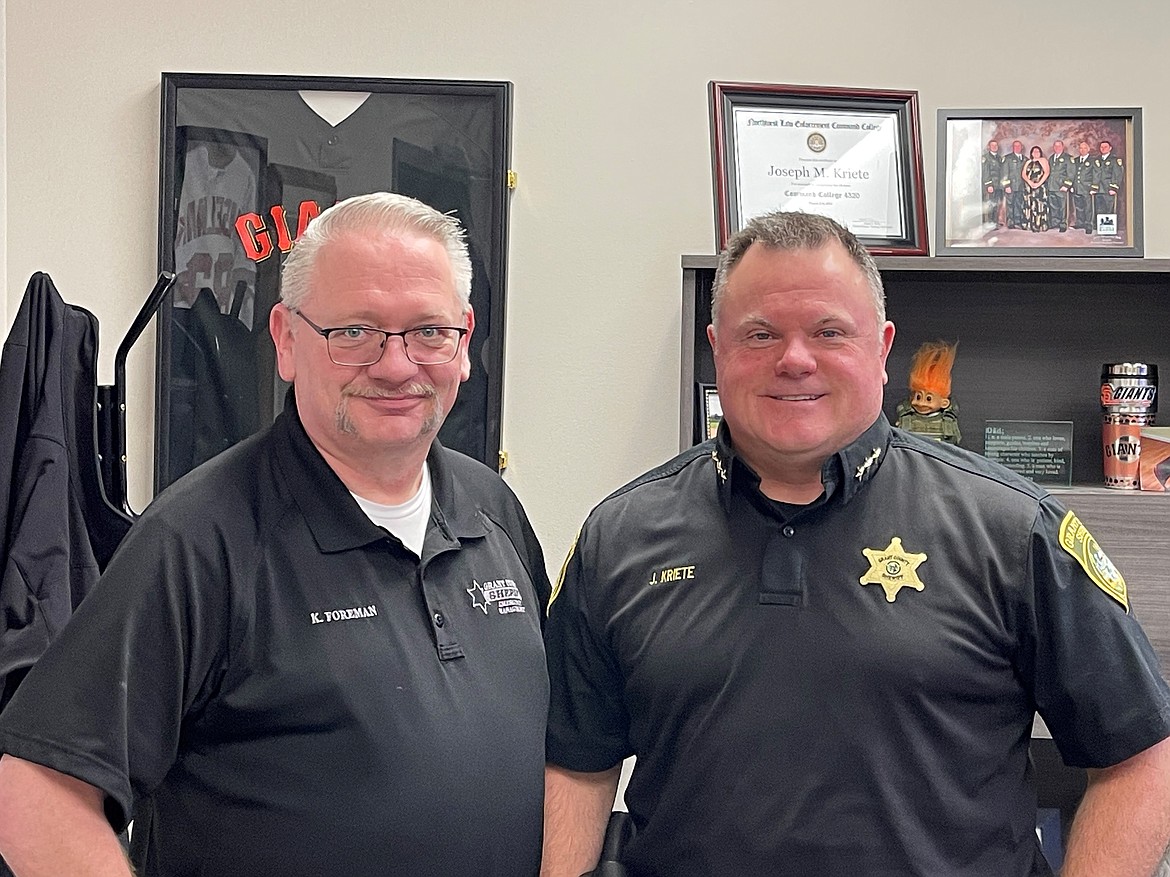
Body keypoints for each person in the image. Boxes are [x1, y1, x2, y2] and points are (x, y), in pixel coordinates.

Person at [542, 211, 1170, 877]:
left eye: (828, 331)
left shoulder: (1011, 529)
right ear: (717, 345)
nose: (794, 359)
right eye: (760, 333)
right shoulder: (621, 537)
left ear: (882, 346)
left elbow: (1141, 752)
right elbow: (576, 761)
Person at [0, 192, 551, 877]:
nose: (396, 364)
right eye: (354, 331)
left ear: (464, 341)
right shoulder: (199, 540)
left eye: (427, 331)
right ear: (287, 339)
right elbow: (36, 790)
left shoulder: (493, 510)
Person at [1091, 139, 1125, 232]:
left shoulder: (1115, 160)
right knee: (1099, 209)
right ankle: (1100, 227)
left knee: (1109, 209)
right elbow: (1095, 174)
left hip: (1108, 189)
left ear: (1110, 148)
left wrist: (1114, 187)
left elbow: (1117, 174)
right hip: (1098, 189)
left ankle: (1108, 228)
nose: (1103, 149)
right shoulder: (1097, 160)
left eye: (1105, 147)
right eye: (1101, 147)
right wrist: (1094, 187)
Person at [1045, 139, 1075, 232]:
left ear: (1063, 147)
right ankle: (1055, 222)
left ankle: (1063, 224)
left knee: (1063, 206)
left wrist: (1066, 185)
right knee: (1053, 206)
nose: (1057, 148)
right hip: (1052, 186)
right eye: (1055, 146)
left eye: (1059, 146)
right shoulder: (1051, 158)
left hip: (1061, 186)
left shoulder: (1068, 158)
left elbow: (1071, 173)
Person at [1021, 145, 1050, 233]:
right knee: (1029, 205)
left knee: (1039, 206)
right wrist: (1029, 182)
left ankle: (1039, 225)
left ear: (1040, 153)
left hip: (1040, 187)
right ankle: (1028, 225)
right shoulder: (1028, 162)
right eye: (1034, 151)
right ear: (1031, 153)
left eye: (1037, 151)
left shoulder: (1043, 160)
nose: (1036, 153)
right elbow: (1023, 174)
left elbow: (1047, 173)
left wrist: (1038, 184)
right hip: (1028, 188)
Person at [1000, 139, 1027, 229]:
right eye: (1015, 146)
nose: (1017, 148)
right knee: (1010, 204)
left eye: (1019, 146)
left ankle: (1018, 221)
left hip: (1021, 186)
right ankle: (1010, 222)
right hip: (1011, 186)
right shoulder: (1007, 158)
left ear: (1022, 147)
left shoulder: (1025, 159)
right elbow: (1004, 173)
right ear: (1012, 147)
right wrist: (1006, 186)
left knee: (1019, 204)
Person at [1071, 139, 1096, 233]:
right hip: (1077, 187)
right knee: (1078, 206)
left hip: (1087, 188)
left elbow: (1096, 174)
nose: (1082, 150)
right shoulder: (1075, 160)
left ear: (1088, 149)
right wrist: (1072, 186)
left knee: (1088, 207)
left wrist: (1094, 187)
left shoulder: (1093, 160)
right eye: (1081, 148)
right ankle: (1079, 223)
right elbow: (1072, 173)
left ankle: (1089, 225)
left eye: (1085, 148)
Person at [981, 139, 1004, 228]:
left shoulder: (999, 158)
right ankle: (988, 223)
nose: (994, 147)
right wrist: (988, 185)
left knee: (995, 204)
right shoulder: (986, 158)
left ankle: (994, 222)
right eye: (992, 145)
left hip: (998, 185)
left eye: (996, 145)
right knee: (989, 204)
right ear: (988, 147)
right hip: (990, 186)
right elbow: (985, 172)